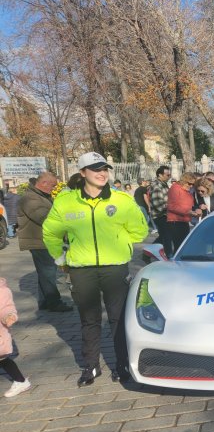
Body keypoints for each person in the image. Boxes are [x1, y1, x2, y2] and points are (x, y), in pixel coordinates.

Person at [43, 152, 148, 386]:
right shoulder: (65, 202)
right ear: (82, 173)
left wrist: (122, 244)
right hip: (82, 269)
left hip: (115, 268)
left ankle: (122, 365)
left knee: (118, 319)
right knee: (88, 320)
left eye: (105, 169)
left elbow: (139, 230)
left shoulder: (121, 200)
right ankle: (91, 367)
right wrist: (61, 259)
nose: (102, 173)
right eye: (95, 169)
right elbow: (50, 233)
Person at [17, 172, 73, 312]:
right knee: (48, 272)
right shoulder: (30, 198)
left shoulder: (40, 196)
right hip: (40, 241)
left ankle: (45, 302)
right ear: (43, 183)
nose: (54, 188)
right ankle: (54, 302)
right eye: (53, 185)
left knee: (45, 272)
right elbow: (43, 217)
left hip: (43, 240)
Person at [0, 278, 31, 397]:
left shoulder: (2, 290)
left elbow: (5, 307)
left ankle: (20, 381)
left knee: (2, 359)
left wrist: (8, 316)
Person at [167, 172, 201, 252]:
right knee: (179, 247)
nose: (191, 186)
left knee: (183, 246)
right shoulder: (175, 188)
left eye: (193, 184)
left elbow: (189, 204)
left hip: (184, 220)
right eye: (190, 184)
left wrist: (195, 210)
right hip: (175, 221)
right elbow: (171, 206)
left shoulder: (186, 190)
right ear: (184, 181)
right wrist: (189, 212)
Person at [150, 166, 173, 257]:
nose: (169, 176)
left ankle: (148, 252)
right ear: (160, 175)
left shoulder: (164, 184)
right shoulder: (157, 185)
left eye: (170, 174)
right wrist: (171, 207)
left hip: (165, 214)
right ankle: (169, 256)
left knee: (164, 236)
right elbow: (158, 204)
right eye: (167, 175)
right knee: (167, 237)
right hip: (160, 215)